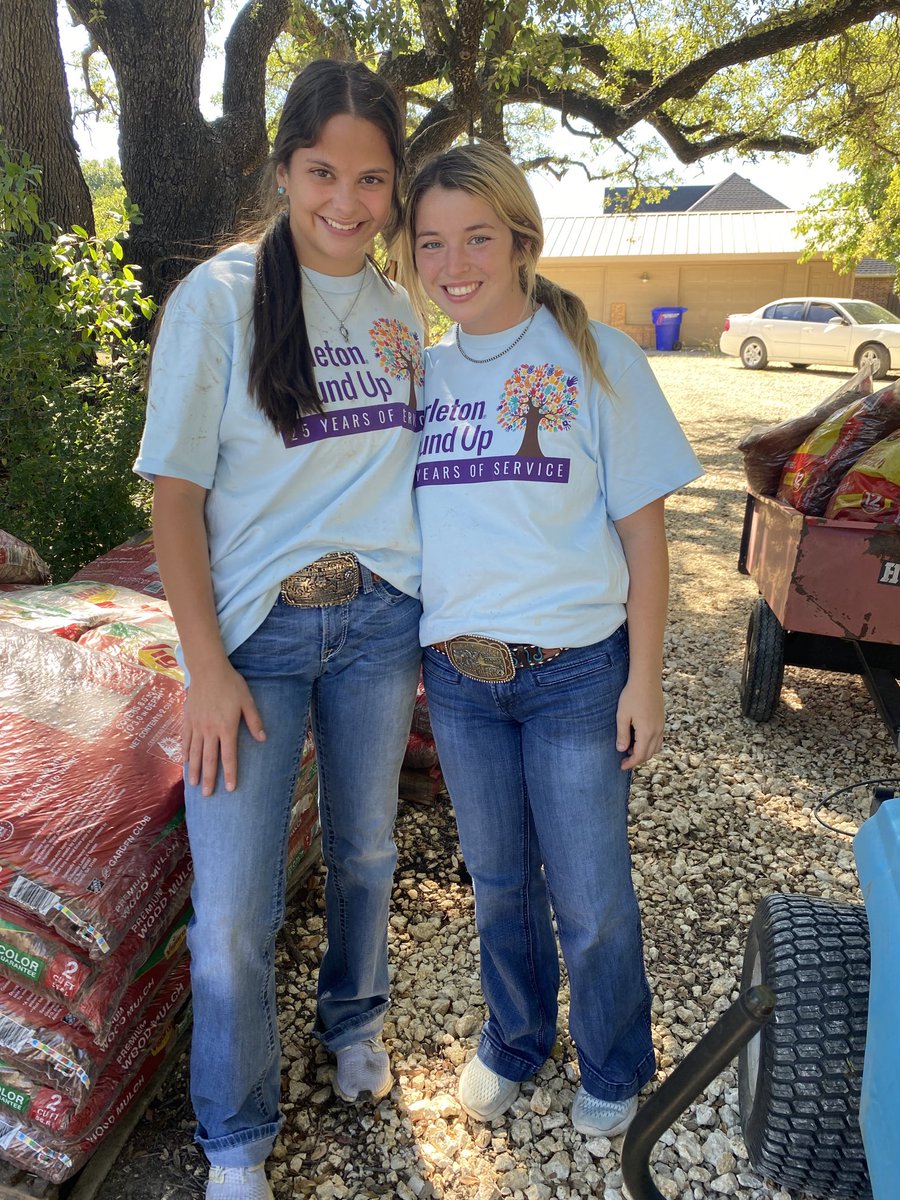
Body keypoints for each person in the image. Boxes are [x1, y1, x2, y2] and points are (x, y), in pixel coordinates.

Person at [135, 60, 424, 1200]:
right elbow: (174, 499)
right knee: (235, 916)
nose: (345, 203)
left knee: (365, 853)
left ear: (396, 188)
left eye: (370, 180)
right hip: (253, 642)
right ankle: (238, 1138)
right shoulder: (218, 296)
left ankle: (354, 1018)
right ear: (284, 169)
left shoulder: (402, 311)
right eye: (321, 173)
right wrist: (204, 669)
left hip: (378, 629)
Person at [399, 141, 702, 1138]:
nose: (454, 264)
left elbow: (643, 537)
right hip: (460, 680)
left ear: (521, 238)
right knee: (495, 883)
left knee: (591, 892)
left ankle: (616, 1058)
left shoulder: (595, 356)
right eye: (432, 242)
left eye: (477, 238)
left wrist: (644, 680)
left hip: (574, 676)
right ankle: (515, 1038)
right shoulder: (422, 375)